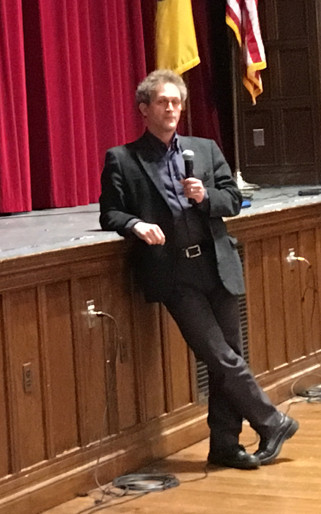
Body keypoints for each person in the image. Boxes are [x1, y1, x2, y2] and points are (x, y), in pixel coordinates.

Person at [99, 69, 298, 469]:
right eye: (162, 102)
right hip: (174, 273)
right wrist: (135, 225)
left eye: (176, 102)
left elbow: (234, 199)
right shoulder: (123, 159)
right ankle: (272, 421)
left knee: (229, 358)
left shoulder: (204, 150)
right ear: (144, 109)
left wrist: (207, 196)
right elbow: (110, 213)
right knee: (219, 355)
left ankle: (225, 445)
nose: (172, 109)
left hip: (217, 263)